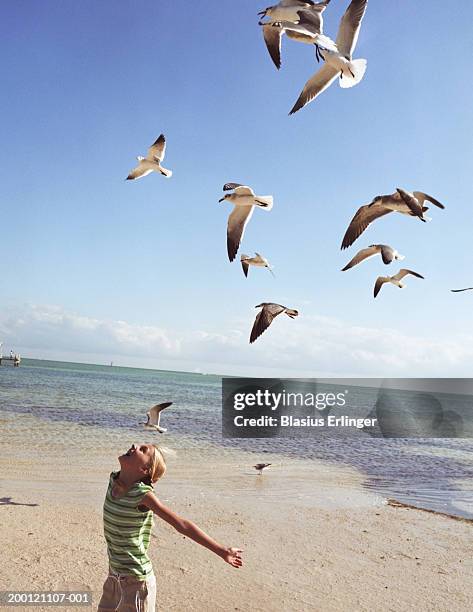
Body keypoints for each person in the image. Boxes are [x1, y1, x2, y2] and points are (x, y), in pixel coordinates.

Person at [98, 443, 243, 611]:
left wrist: (222, 550)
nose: (135, 445)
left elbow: (181, 525)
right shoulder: (113, 480)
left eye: (143, 450)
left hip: (136, 583)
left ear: (145, 469)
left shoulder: (143, 495)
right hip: (114, 577)